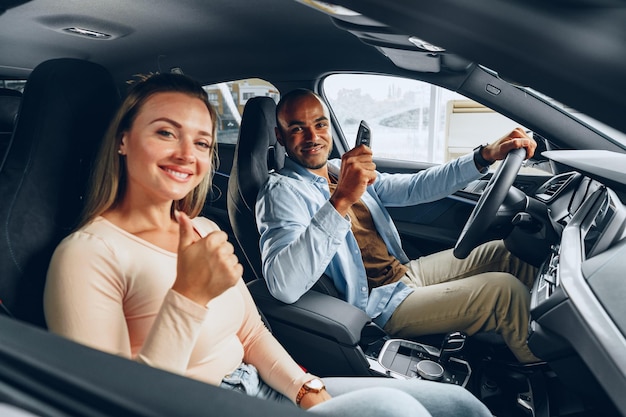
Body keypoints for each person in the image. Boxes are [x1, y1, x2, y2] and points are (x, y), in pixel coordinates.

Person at [43, 73, 492, 417]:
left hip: (261, 385)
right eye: (165, 132)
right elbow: (112, 403)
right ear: (123, 139)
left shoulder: (199, 229)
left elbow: (252, 333)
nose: (187, 154)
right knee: (397, 412)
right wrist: (188, 297)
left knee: (458, 406)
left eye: (201, 141)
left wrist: (305, 390)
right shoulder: (85, 255)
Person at [256, 88, 540, 364]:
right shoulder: (280, 192)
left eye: (320, 124)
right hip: (380, 305)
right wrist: (341, 199)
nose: (313, 136)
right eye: (297, 128)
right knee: (505, 293)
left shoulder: (337, 170)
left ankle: (539, 332)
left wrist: (484, 156)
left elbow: (415, 187)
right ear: (279, 136)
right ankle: (549, 378)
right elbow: (284, 285)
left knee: (507, 252)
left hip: (405, 273)